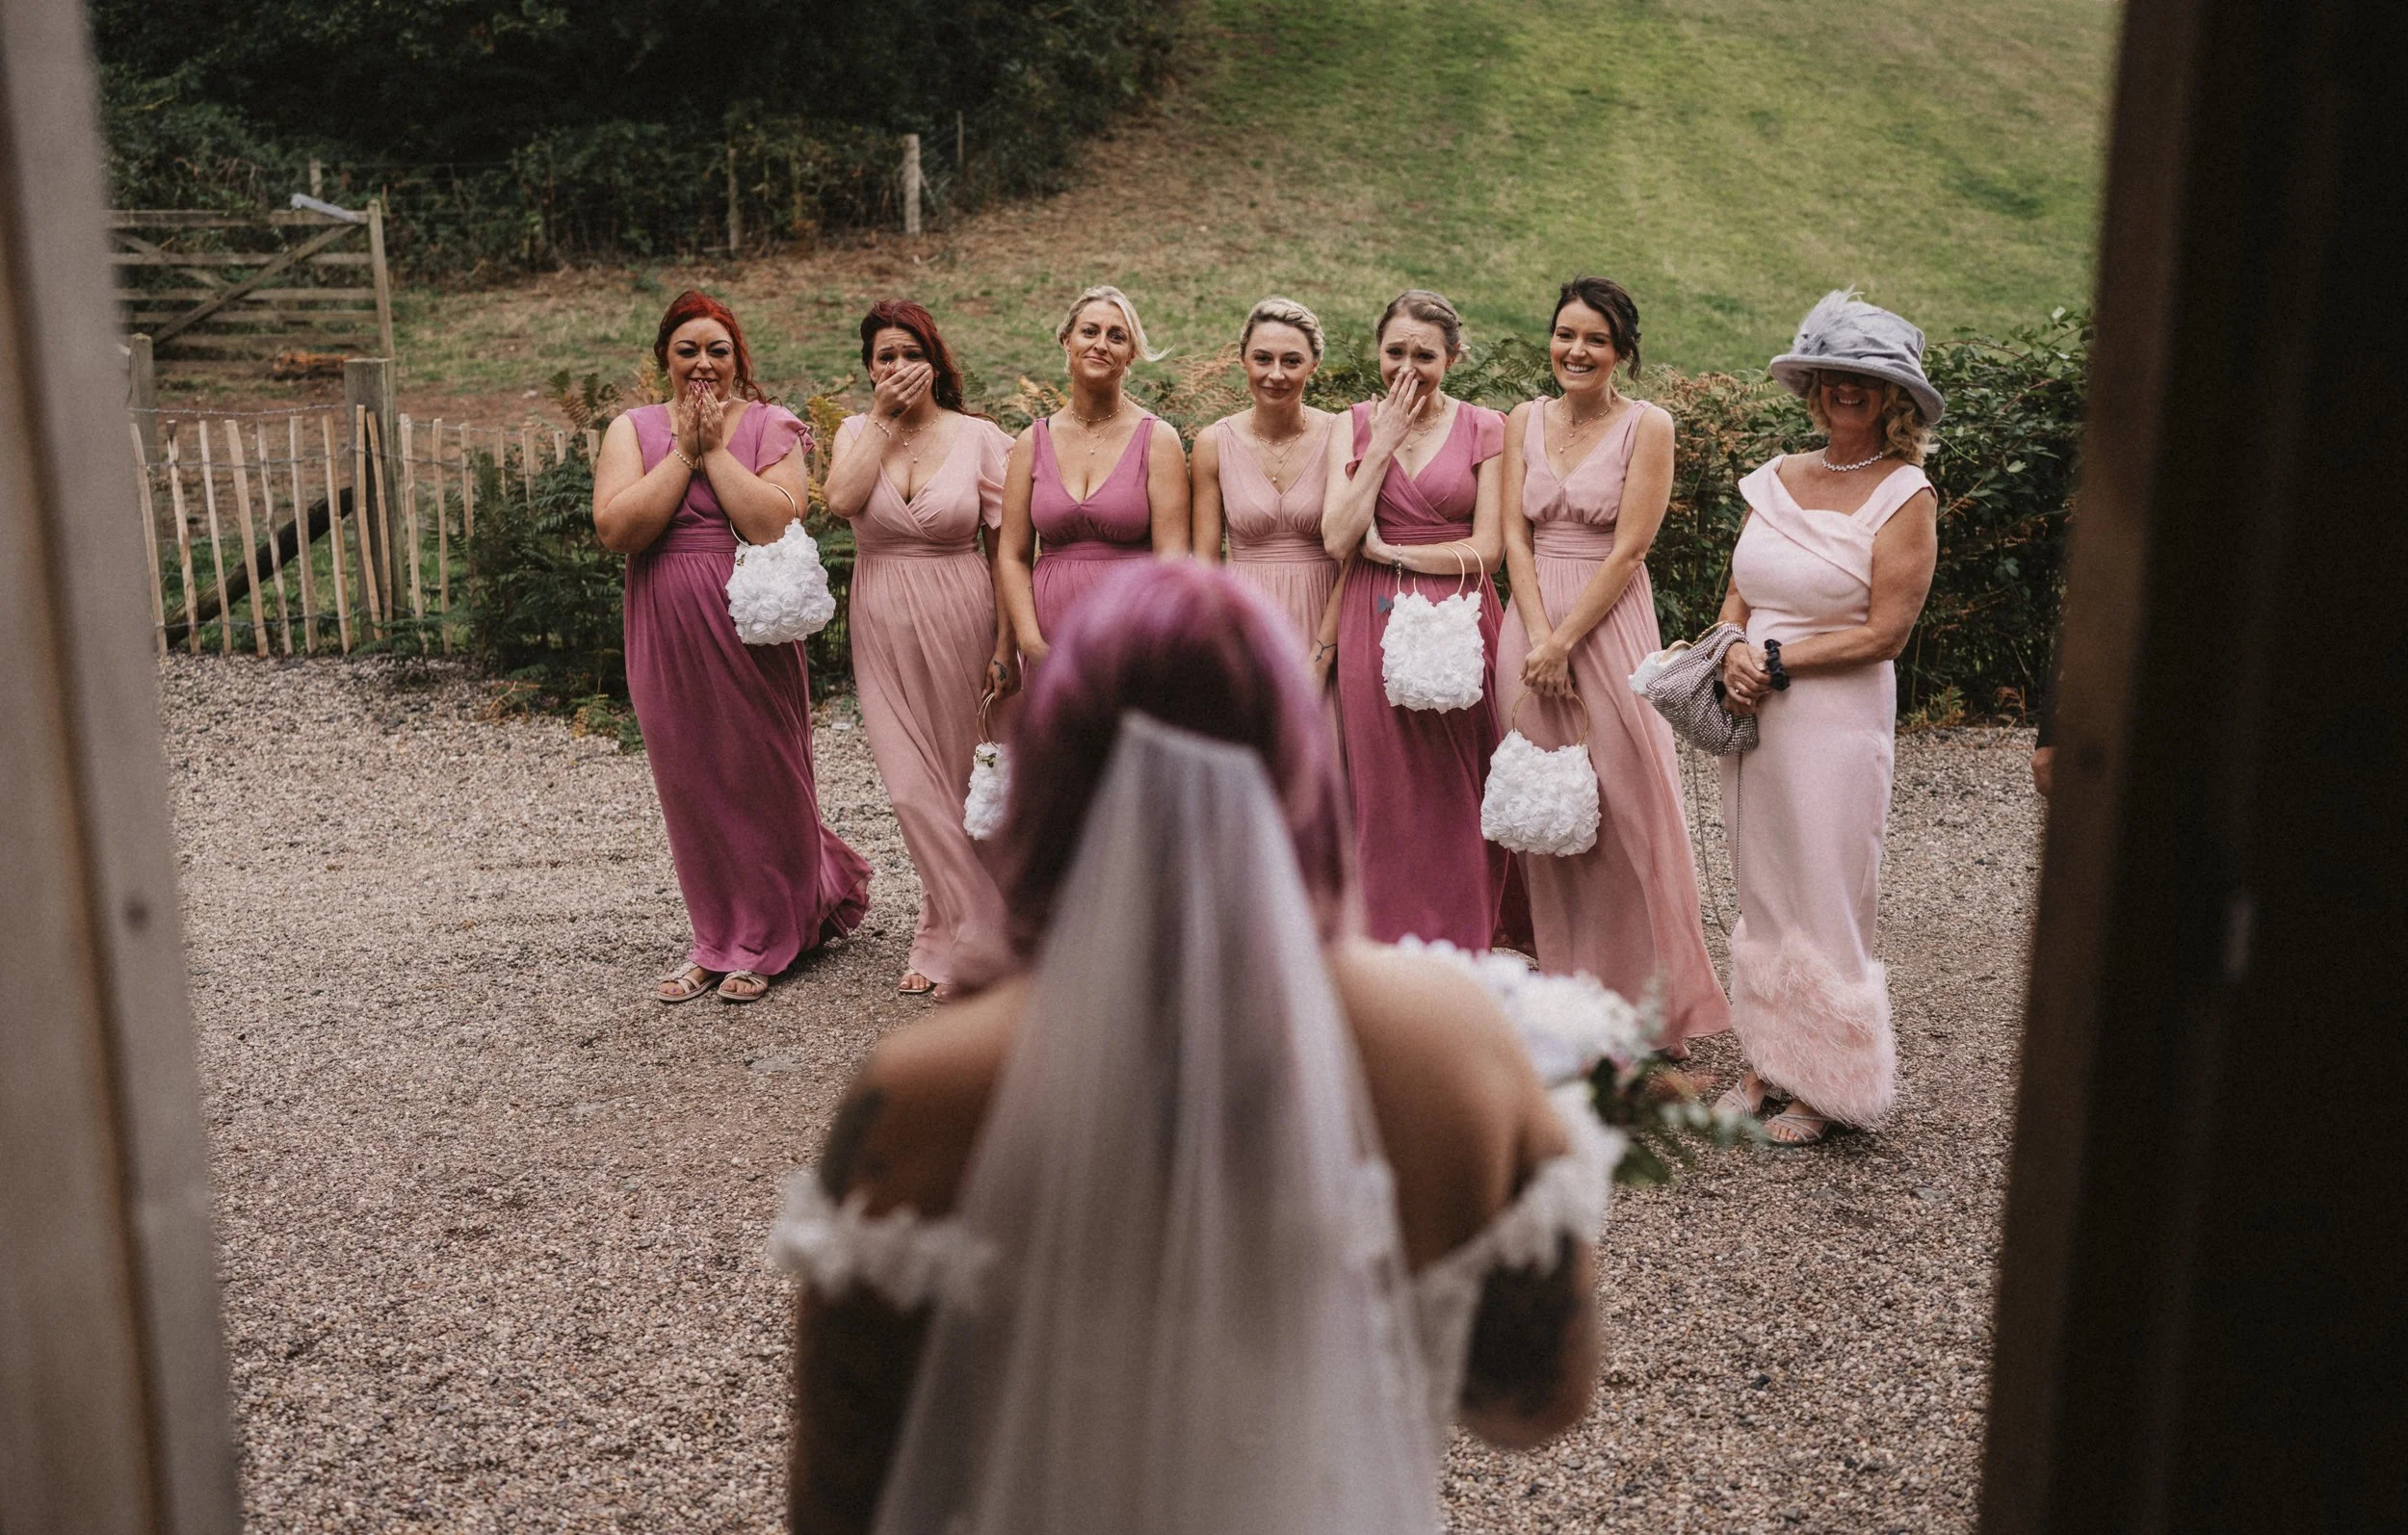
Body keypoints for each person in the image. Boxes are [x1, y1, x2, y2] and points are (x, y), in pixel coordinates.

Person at [772, 561, 1610, 1535]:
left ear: (1055, 776)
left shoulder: (921, 1097)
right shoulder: (1452, 1044)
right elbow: (1529, 1403)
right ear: (1300, 765)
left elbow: (844, 1501)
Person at [592, 291, 872, 1004]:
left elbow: (773, 522)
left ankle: (775, 933)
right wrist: (681, 450)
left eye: (718, 349)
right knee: (689, 779)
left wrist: (713, 449)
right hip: (663, 624)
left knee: (765, 769)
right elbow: (620, 529)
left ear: (738, 357)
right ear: (665, 360)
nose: (703, 363)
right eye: (688, 349)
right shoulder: (633, 429)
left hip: (751, 625)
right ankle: (715, 938)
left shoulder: (770, 425)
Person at [1712, 291, 1943, 1144]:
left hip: (1834, 716)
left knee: (1826, 882)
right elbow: (1741, 588)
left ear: (1893, 399)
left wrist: (1774, 662)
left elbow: (1887, 631)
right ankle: (1767, 1061)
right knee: (1761, 882)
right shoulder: (1775, 478)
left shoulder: (1905, 493)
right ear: (1814, 385)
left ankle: (1829, 1081)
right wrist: (1731, 650)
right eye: (1835, 375)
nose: (1848, 390)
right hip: (1751, 706)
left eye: (1867, 380)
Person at [1494, 277, 1731, 1054]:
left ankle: (1652, 1011)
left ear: (1623, 352)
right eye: (1566, 334)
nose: (1577, 350)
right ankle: (1569, 1002)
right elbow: (1515, 538)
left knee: (1631, 806)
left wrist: (1566, 641)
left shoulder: (1647, 425)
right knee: (1547, 814)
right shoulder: (1522, 420)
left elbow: (1631, 548)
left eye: (1596, 339)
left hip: (1609, 623)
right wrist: (1536, 638)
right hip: (1527, 632)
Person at [823, 300, 1014, 999]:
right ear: (869, 368)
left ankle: (947, 928)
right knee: (910, 790)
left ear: (935, 361)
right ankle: (974, 928)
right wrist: (878, 420)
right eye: (884, 356)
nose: (897, 367)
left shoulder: (980, 438)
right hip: (880, 618)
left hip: (963, 612)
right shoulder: (852, 431)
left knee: (969, 781)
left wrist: (1006, 643)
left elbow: (1008, 553)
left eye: (910, 353)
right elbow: (840, 498)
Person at [1322, 289, 1509, 949]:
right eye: (1394, 351)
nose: (1407, 367)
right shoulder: (1349, 423)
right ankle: (1386, 952)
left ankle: (1466, 948)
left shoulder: (1487, 427)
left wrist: (1396, 552)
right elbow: (1338, 536)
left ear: (1452, 358)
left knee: (1461, 786)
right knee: (1386, 796)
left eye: (1424, 355)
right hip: (1371, 618)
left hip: (1459, 614)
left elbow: (1489, 549)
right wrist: (1383, 444)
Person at [994, 285, 1189, 667]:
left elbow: (1172, 563)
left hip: (1132, 638)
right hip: (1048, 638)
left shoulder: (1158, 439)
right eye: (1089, 332)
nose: (1101, 344)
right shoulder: (1031, 442)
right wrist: (1030, 642)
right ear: (1067, 341)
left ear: (1130, 353)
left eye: (1116, 336)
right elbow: (1013, 554)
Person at [1191, 297, 1344, 688]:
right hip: (1245, 626)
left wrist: (1323, 655)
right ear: (1243, 360)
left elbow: (1354, 558)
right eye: (1263, 359)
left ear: (1314, 365)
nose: (1276, 374)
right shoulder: (1213, 443)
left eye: (1291, 361)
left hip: (1327, 619)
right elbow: (1206, 567)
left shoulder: (1340, 435)